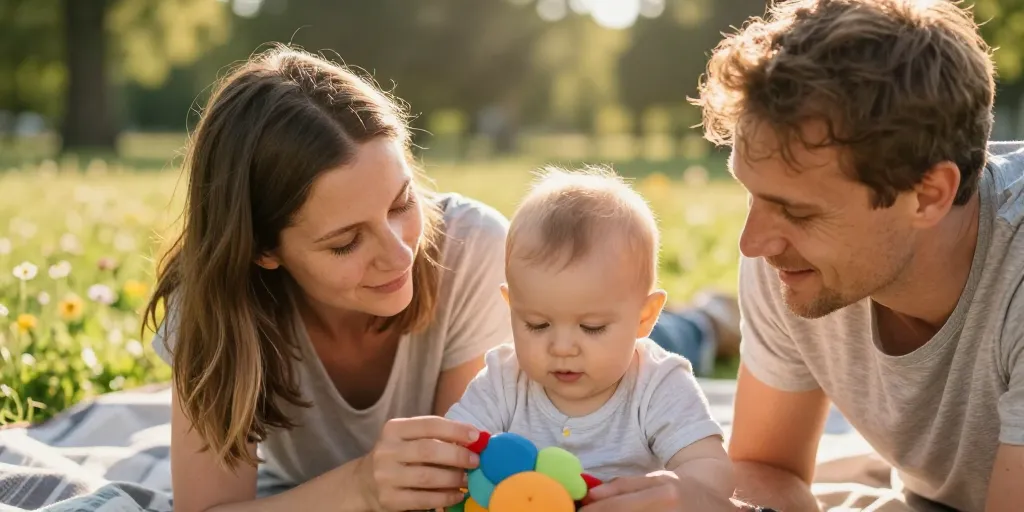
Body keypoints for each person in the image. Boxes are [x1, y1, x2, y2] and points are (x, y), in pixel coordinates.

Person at [584, 0, 1024, 510]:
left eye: (797, 211)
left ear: (928, 195)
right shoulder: (793, 261)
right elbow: (767, 468)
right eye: (753, 195)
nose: (753, 243)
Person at [143, 46, 512, 512]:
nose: (400, 253)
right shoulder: (211, 303)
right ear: (262, 249)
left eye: (402, 203)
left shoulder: (473, 248)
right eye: (346, 242)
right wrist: (360, 487)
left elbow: (453, 488)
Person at [444, 167, 735, 503]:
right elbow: (452, 449)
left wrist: (678, 492)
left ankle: (711, 322)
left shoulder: (657, 385)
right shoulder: (504, 379)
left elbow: (711, 469)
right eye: (537, 324)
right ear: (512, 307)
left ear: (645, 317)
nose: (562, 348)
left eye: (592, 327)